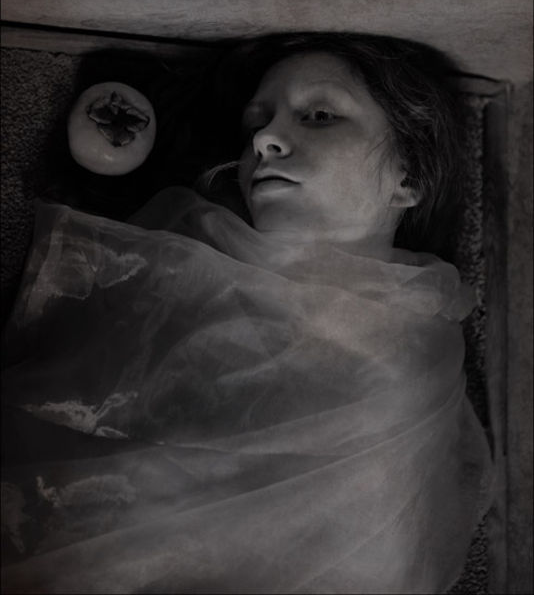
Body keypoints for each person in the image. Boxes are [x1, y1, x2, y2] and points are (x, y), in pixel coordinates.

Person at [1, 32, 493, 594]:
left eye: (320, 116)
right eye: (255, 122)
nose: (262, 139)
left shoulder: (410, 358)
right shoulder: (178, 266)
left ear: (409, 177)